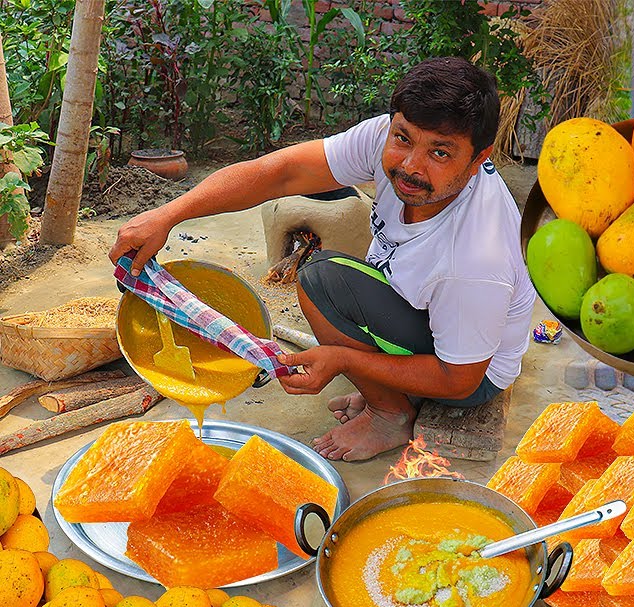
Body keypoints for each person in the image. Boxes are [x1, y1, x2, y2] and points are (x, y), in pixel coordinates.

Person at [111, 57, 535, 462]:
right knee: (336, 280)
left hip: (473, 374)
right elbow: (280, 172)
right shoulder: (388, 138)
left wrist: (345, 359)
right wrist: (168, 215)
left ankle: (390, 415)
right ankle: (388, 387)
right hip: (428, 315)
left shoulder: (477, 257)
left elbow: (459, 380)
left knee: (323, 281)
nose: (410, 165)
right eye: (403, 138)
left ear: (479, 159)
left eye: (440, 153)